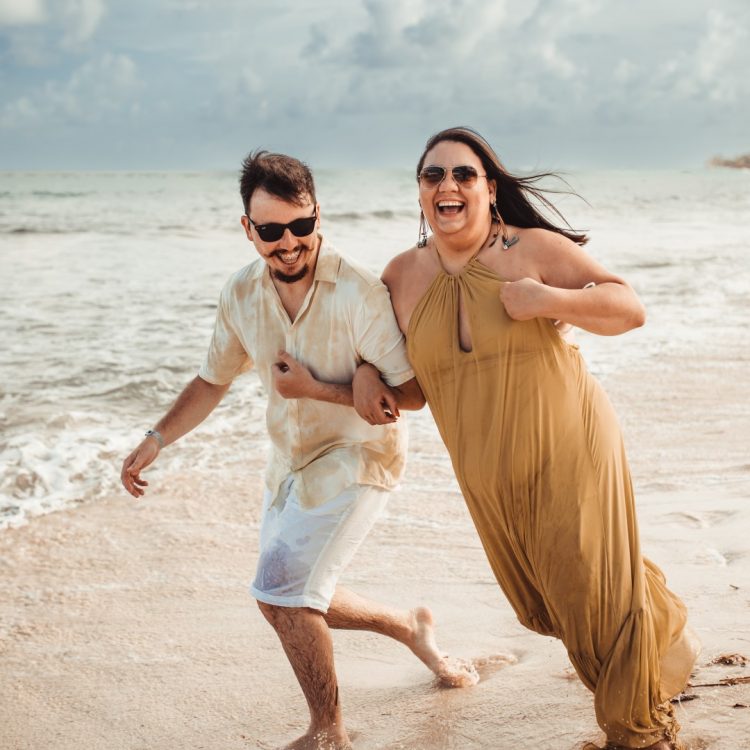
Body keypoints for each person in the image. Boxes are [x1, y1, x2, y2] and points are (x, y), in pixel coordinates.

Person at [351, 127, 700, 750]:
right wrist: (362, 373)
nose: (448, 186)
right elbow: (412, 389)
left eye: (463, 174)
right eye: (434, 176)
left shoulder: (531, 249)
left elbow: (628, 306)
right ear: (420, 192)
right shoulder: (400, 277)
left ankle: (638, 729)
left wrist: (546, 298)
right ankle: (666, 630)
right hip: (486, 472)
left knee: (591, 599)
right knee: (548, 601)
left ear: (489, 188)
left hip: (570, 444)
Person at [120, 150, 477, 750]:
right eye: (270, 231)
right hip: (290, 461)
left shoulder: (359, 292)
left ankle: (329, 730)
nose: (288, 243)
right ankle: (408, 626)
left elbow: (414, 394)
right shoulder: (240, 293)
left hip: (361, 455)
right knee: (291, 598)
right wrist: (156, 438)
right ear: (248, 229)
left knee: (280, 593)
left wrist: (323, 387)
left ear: (318, 216)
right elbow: (212, 380)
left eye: (301, 226)